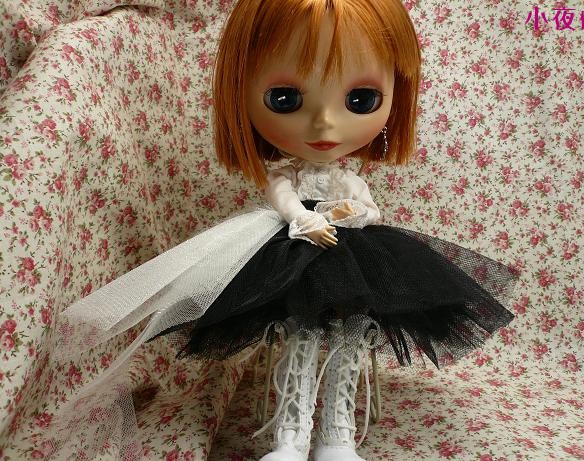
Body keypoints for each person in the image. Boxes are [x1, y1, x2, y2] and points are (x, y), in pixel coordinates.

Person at [60, 1, 518, 460]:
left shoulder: (349, 177)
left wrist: (347, 213)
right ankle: (290, 436)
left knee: (349, 340)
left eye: (360, 100)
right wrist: (305, 219)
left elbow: (370, 211)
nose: (324, 123)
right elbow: (283, 201)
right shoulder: (285, 174)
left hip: (351, 256)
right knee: (299, 339)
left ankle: (338, 436)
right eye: (285, 99)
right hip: (291, 253)